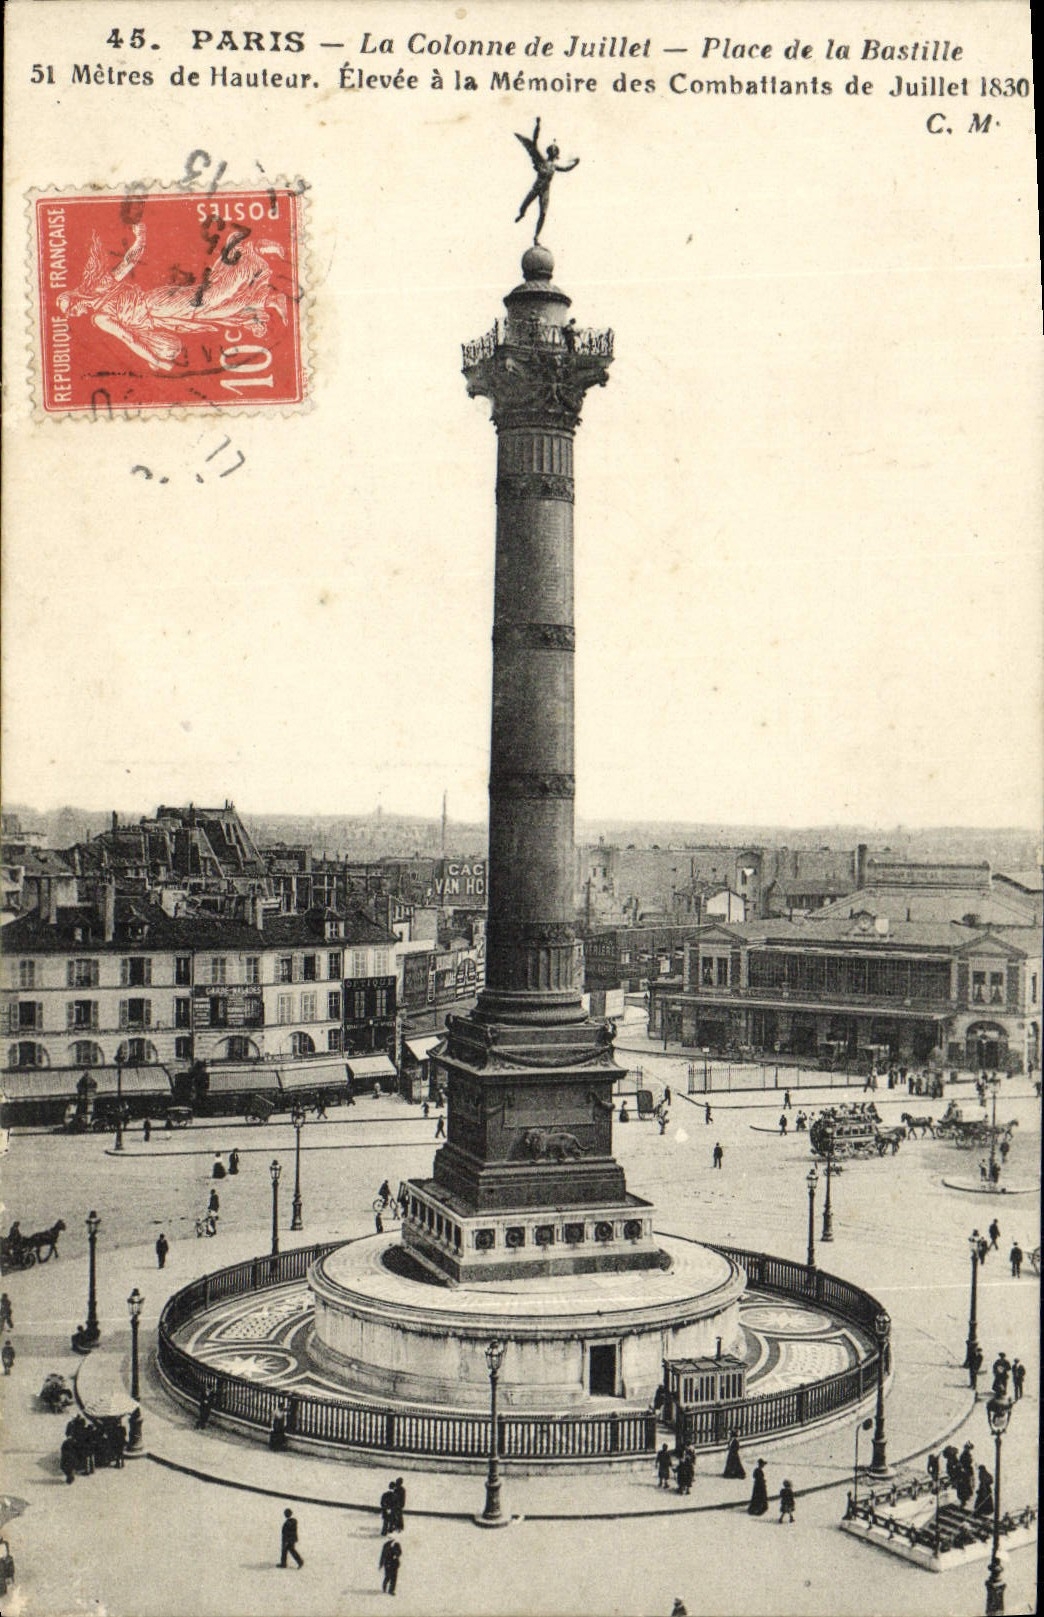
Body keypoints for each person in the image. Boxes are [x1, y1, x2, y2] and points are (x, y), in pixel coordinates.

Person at [514, 117, 580, 242]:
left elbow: (566, 169)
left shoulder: (554, 166)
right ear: (550, 153)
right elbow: (534, 142)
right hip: (536, 188)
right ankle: (522, 214)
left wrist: (575, 164)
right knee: (524, 206)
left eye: (555, 152)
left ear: (556, 155)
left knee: (543, 214)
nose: (553, 153)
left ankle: (536, 236)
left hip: (545, 192)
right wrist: (537, 125)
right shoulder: (541, 161)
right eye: (552, 151)